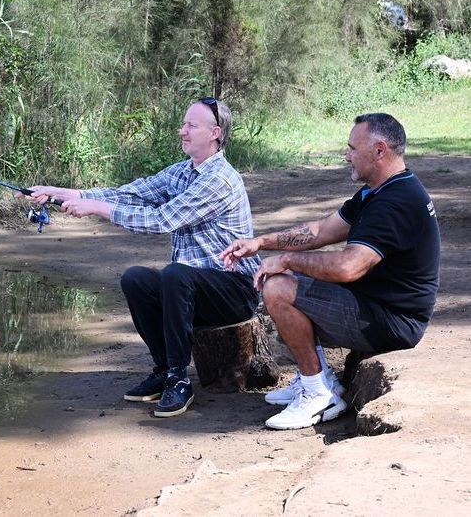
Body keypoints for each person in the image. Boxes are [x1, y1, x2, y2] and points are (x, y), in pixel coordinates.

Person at [24, 98, 260, 418]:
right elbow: (133, 193)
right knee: (136, 278)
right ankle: (164, 370)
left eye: (191, 125)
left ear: (215, 133)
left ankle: (179, 378)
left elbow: (162, 220)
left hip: (233, 290)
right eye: (183, 124)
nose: (183, 131)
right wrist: (67, 193)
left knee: (176, 274)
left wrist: (96, 210)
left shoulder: (218, 178)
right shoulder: (183, 171)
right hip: (192, 287)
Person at [221, 113, 440, 430]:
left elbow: (348, 267)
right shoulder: (377, 191)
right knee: (284, 279)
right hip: (373, 305)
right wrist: (261, 242)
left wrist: (286, 260)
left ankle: (318, 394)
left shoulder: (396, 203)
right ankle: (318, 378)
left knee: (279, 288)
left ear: (380, 150)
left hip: (392, 321)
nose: (346, 154)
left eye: (352, 147)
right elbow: (322, 230)